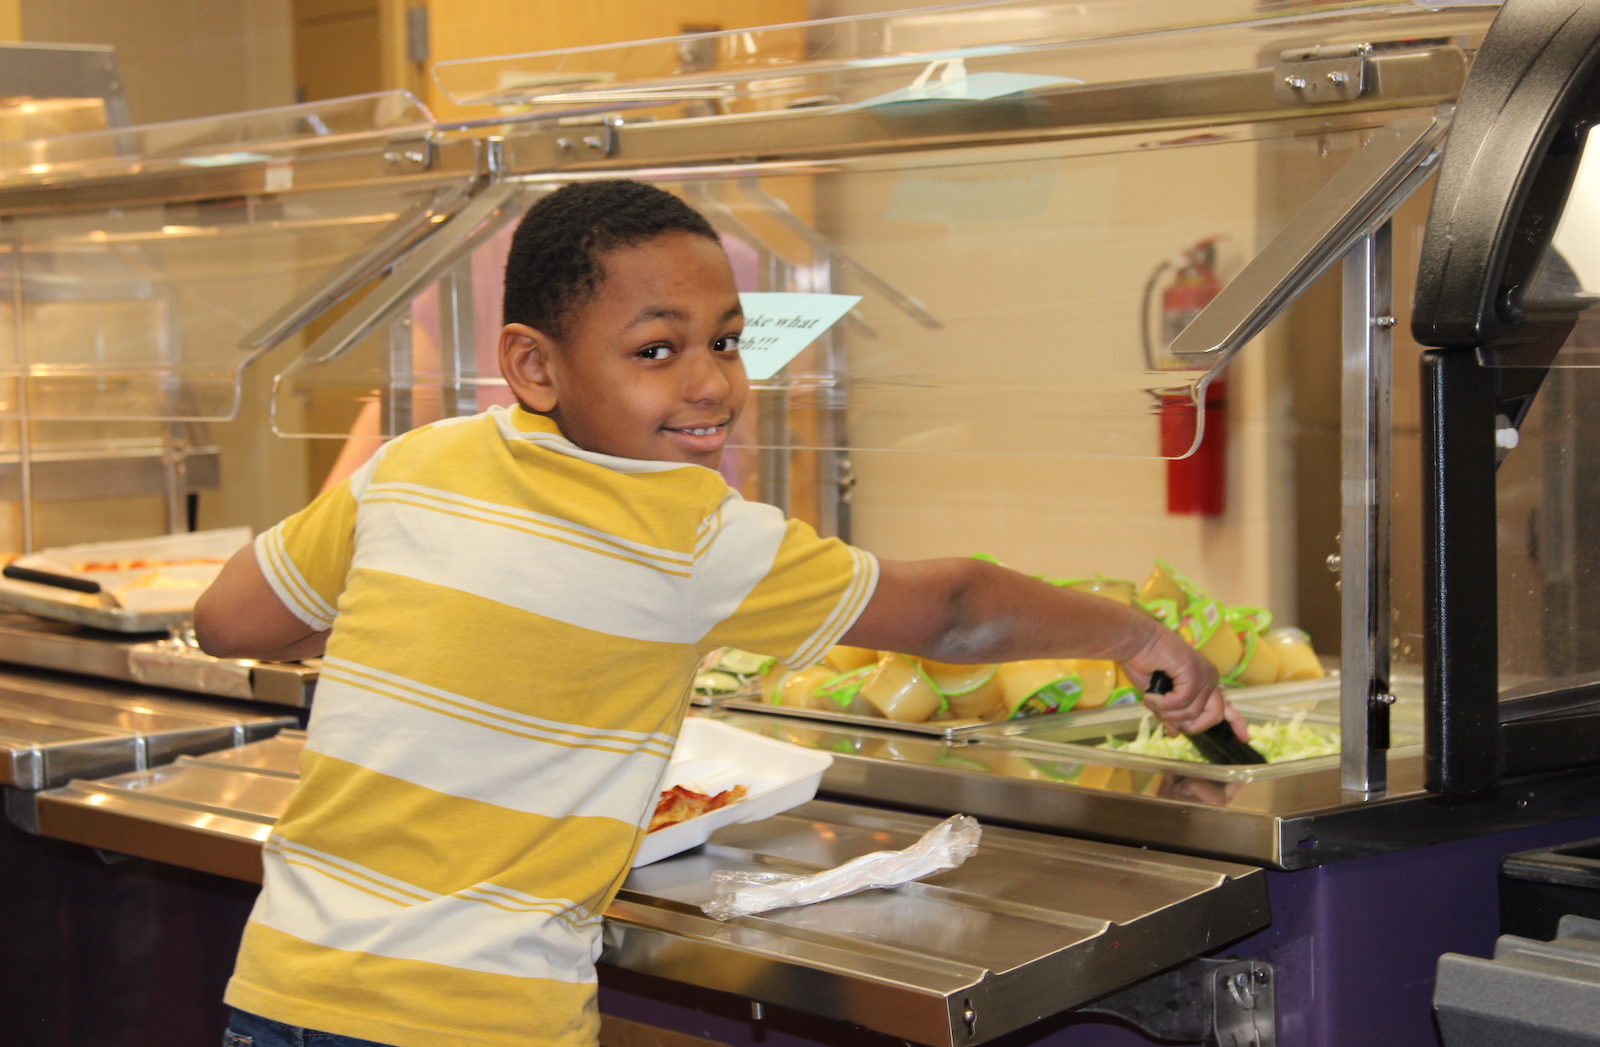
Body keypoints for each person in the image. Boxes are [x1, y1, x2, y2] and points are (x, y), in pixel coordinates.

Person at [195, 178, 1235, 1047]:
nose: (711, 384)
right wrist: (1134, 633)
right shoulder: (686, 526)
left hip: (279, 990)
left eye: (727, 342)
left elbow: (230, 620)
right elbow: (956, 612)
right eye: (656, 350)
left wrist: (425, 617)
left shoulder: (411, 465)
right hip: (481, 1014)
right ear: (534, 364)